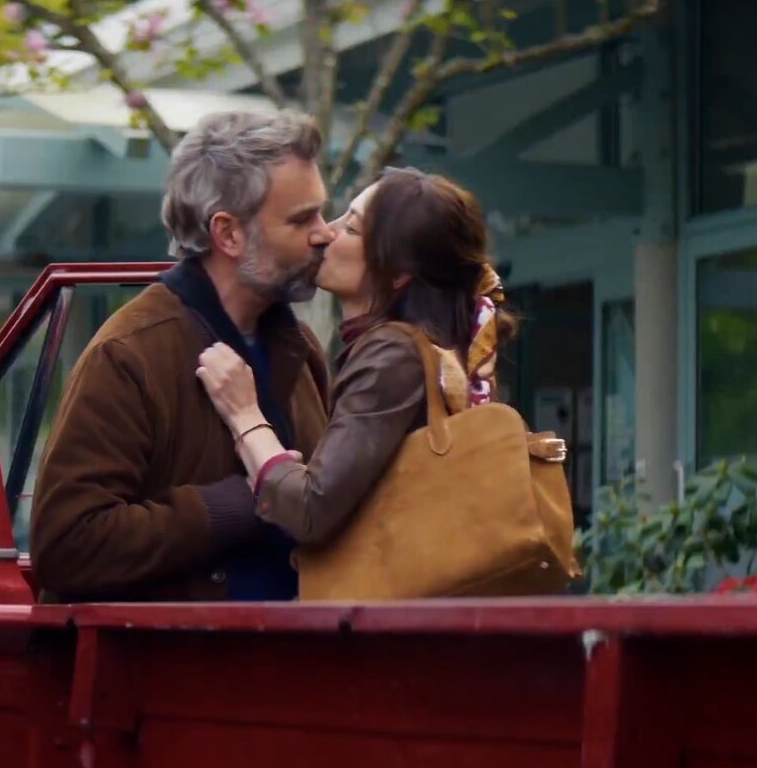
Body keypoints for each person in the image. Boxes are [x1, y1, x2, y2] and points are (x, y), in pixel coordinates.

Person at [29, 110, 338, 603]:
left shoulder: (301, 350)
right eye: (302, 218)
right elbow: (68, 545)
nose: (325, 233)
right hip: (173, 654)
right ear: (228, 234)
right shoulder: (129, 354)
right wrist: (242, 501)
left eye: (322, 213)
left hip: (292, 648)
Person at [196, 167, 524, 549]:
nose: (325, 232)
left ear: (397, 273)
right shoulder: (431, 351)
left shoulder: (394, 357)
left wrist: (245, 415)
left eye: (350, 228)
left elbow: (310, 510)